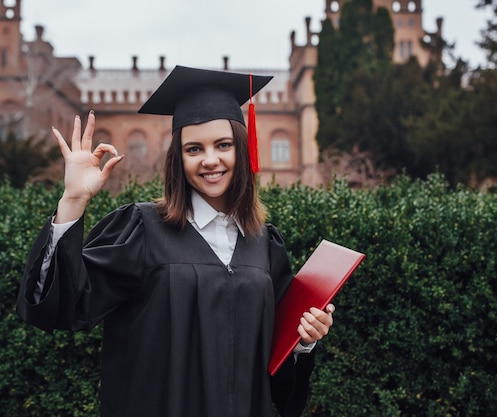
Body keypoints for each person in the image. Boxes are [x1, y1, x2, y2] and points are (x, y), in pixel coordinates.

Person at [17, 65, 335, 417]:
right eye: (194, 149)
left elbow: (275, 362)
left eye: (223, 145)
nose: (210, 160)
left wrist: (303, 342)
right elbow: (63, 304)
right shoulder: (141, 229)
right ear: (178, 159)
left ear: (242, 151)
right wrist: (72, 201)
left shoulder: (264, 244)